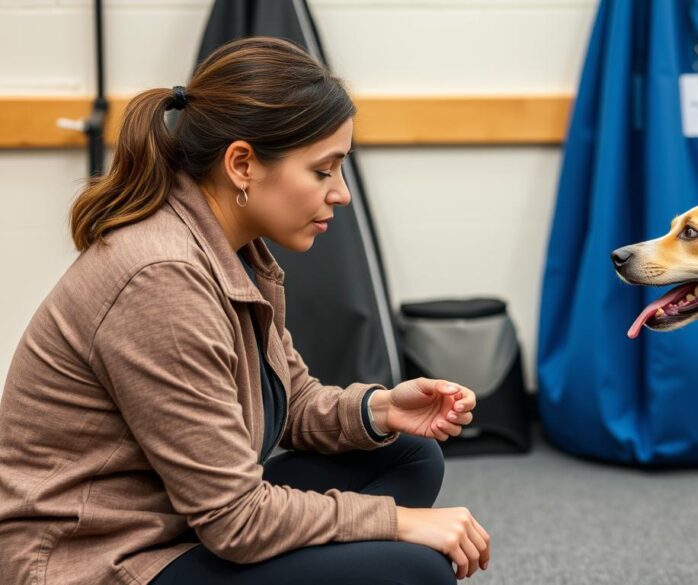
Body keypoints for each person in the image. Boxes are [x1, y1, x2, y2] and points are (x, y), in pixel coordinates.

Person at [0, 36, 490, 585]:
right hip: (96, 559)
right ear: (242, 164)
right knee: (414, 569)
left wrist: (381, 410)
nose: (342, 194)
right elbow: (234, 519)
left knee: (408, 454)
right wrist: (397, 523)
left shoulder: (233, 252)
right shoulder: (161, 277)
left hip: (178, 521)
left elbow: (292, 402)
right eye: (324, 171)